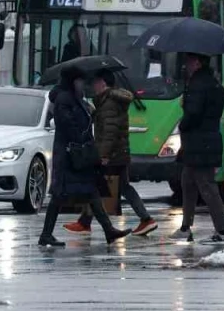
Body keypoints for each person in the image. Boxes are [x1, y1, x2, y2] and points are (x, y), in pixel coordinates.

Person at [39, 66, 131, 248]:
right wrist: (82, 133)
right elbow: (68, 125)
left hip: (79, 152)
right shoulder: (64, 99)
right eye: (80, 81)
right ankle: (46, 234)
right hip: (70, 154)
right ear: (73, 81)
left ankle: (108, 230)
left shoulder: (75, 98)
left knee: (91, 190)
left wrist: (89, 113)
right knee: (60, 194)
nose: (83, 84)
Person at [65, 69, 157, 237]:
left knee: (96, 186)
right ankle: (145, 219)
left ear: (103, 83)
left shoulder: (109, 103)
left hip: (113, 155)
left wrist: (103, 155)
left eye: (96, 82)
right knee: (121, 187)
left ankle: (85, 223)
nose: (93, 86)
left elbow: (109, 132)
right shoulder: (110, 101)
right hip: (119, 152)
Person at [176, 53, 224, 243]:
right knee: (188, 182)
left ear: (198, 63)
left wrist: (182, 124)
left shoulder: (197, 85)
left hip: (199, 143)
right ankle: (185, 226)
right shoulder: (215, 85)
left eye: (190, 61)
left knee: (207, 186)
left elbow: (194, 113)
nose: (186, 65)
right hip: (205, 141)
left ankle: (223, 231)